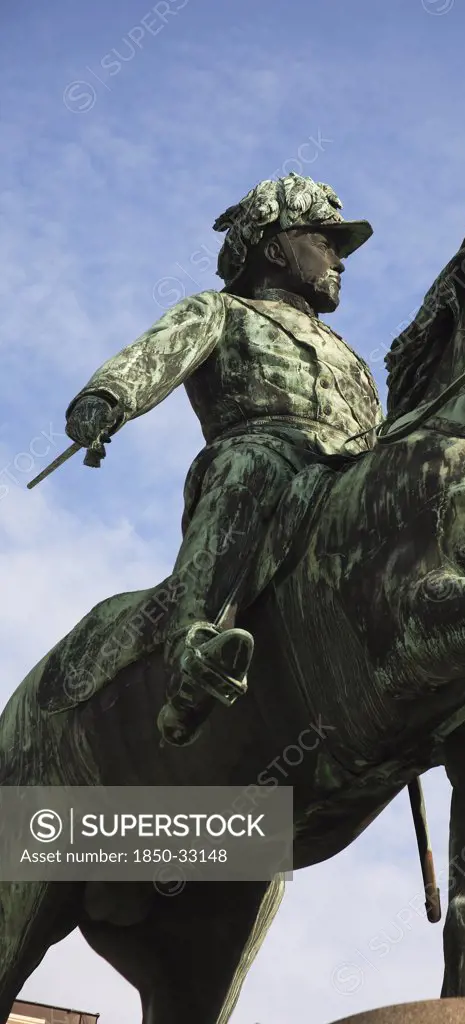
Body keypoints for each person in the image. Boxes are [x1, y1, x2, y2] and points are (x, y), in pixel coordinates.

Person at [65, 172, 383, 745]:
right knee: (248, 466)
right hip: (262, 454)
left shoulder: (352, 357)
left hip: (344, 468)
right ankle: (194, 648)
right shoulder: (222, 311)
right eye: (325, 241)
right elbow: (153, 355)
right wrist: (106, 396)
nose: (339, 260)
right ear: (276, 247)